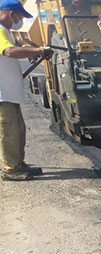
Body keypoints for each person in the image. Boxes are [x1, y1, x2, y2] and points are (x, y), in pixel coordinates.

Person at [0, 0, 49, 181]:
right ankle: (10, 170)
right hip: (2, 95)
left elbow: (18, 45)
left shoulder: (6, 31)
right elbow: (10, 52)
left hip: (9, 93)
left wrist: (31, 49)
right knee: (9, 132)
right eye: (18, 17)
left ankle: (18, 164)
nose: (18, 21)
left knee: (18, 130)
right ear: (9, 14)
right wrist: (37, 50)